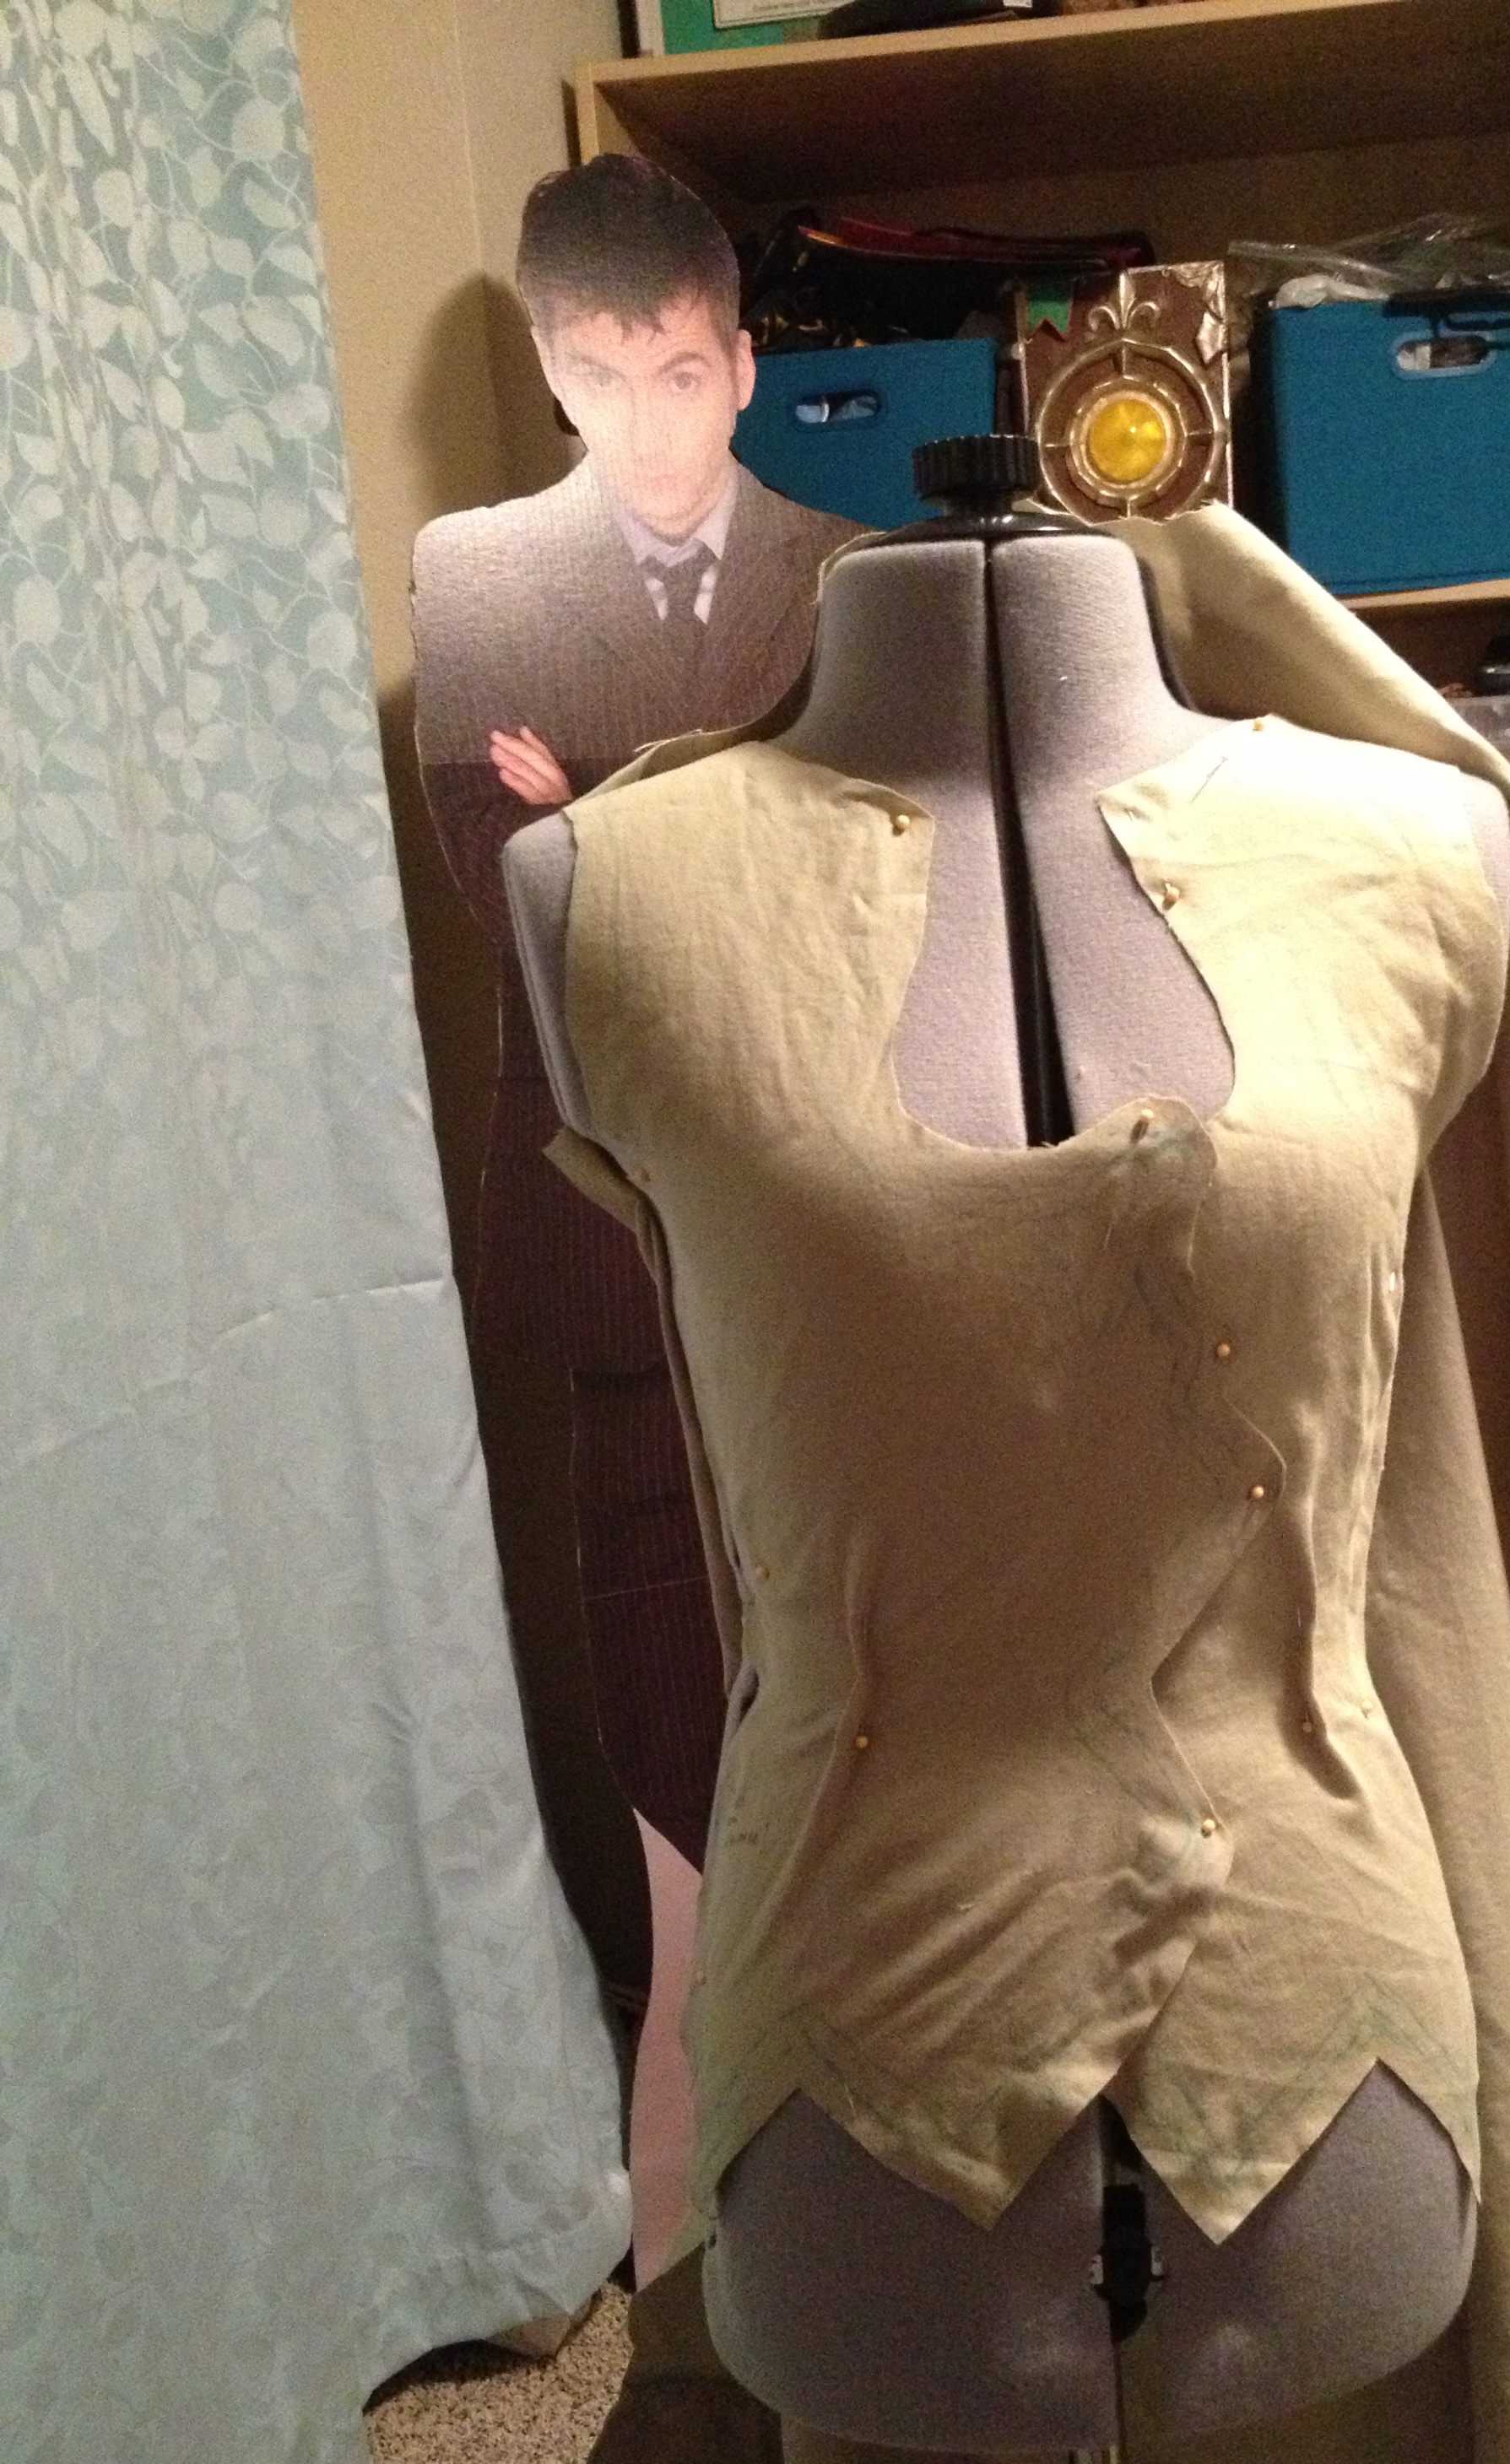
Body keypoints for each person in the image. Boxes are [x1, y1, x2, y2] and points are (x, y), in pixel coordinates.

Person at [409, 157, 860, 1993]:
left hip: (824, 1167)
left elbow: (857, 873)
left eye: (680, 374)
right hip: (593, 1185)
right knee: (654, 1625)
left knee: (846, 1571)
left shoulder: (850, 572)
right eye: (601, 378)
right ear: (551, 374)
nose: (647, 423)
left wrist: (595, 802)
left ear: (742, 367)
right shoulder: (479, 575)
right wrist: (717, 813)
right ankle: (699, 1989)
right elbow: (501, 877)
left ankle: (847, 1977)